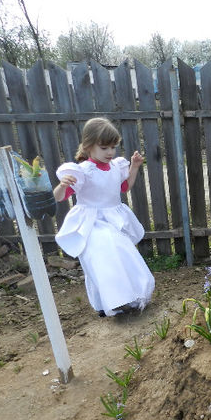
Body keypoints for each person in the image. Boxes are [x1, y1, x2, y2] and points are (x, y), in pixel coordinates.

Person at [53, 118, 155, 317]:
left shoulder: (116, 167)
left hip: (113, 219)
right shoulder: (82, 172)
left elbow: (124, 187)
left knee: (124, 256)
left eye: (113, 147)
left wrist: (134, 167)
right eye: (104, 147)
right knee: (101, 260)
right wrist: (62, 185)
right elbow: (59, 197)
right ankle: (109, 302)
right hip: (91, 224)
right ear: (88, 146)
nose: (110, 152)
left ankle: (129, 297)